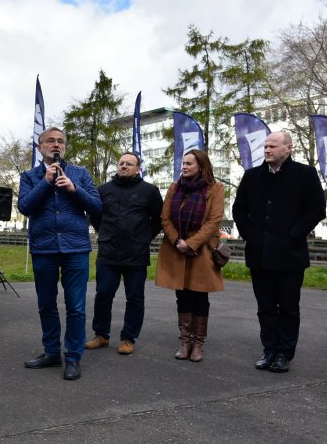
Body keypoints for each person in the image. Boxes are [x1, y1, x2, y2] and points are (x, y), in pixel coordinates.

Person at [232, 131, 325, 373]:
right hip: (259, 254)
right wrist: (249, 234)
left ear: (288, 149)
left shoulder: (304, 174)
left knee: (288, 307)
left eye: (273, 146)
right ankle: (268, 350)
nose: (267, 150)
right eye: (265, 146)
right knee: (265, 307)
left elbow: (316, 209)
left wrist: (294, 234)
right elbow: (239, 208)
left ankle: (284, 353)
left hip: (290, 256)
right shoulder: (252, 176)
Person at [18, 127, 101, 380]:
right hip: (44, 248)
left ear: (65, 147)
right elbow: (24, 206)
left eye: (60, 141)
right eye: (50, 141)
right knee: (46, 304)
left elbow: (97, 206)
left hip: (75, 248)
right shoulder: (30, 176)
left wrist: (74, 189)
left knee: (75, 306)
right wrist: (45, 182)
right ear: (39, 147)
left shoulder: (80, 173)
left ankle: (73, 357)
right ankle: (52, 352)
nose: (56, 145)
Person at [86, 152, 162, 355]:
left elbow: (158, 220)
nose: (124, 166)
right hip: (108, 252)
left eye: (129, 163)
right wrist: (106, 233)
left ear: (138, 169)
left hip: (136, 253)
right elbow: (95, 215)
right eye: (121, 163)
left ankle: (128, 338)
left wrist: (144, 237)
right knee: (103, 295)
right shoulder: (103, 190)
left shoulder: (150, 191)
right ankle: (101, 335)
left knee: (135, 298)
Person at [155, 149, 225, 362]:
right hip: (176, 248)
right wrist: (178, 241)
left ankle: (198, 344)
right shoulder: (175, 188)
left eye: (189, 164)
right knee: (182, 296)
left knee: (200, 296)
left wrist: (191, 243)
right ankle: (185, 342)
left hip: (201, 250)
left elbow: (214, 220)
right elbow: (164, 218)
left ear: (201, 166)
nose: (184, 167)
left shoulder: (215, 189)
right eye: (183, 163)